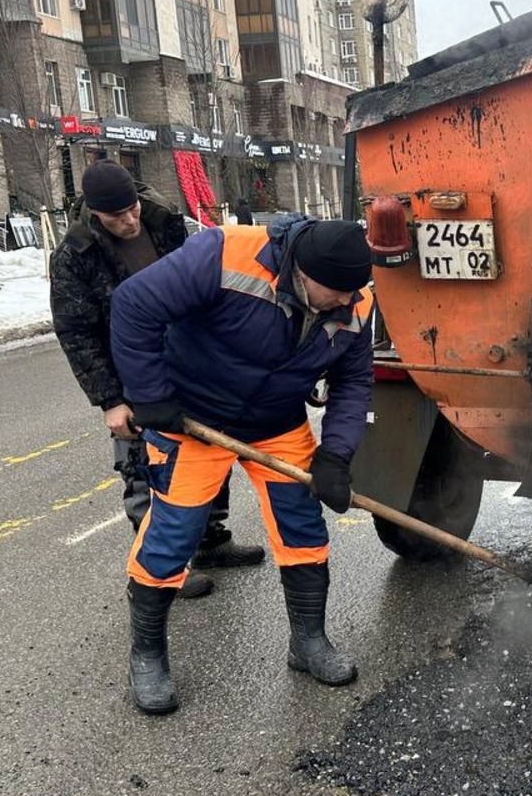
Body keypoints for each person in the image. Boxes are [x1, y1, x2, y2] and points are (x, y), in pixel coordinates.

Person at [109, 216, 374, 715]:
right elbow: (133, 304)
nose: (347, 301)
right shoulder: (224, 253)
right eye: (337, 291)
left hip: (276, 423)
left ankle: (308, 641)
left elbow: (354, 383)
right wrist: (150, 395)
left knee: (302, 528)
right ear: (303, 273)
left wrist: (336, 454)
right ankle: (147, 656)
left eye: (354, 291)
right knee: (174, 534)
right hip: (192, 421)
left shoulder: (355, 303)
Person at [49, 161, 264, 601]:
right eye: (117, 216)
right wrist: (110, 400)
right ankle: (160, 567)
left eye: (132, 209)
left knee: (207, 452)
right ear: (95, 213)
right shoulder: (76, 254)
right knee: (147, 468)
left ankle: (209, 541)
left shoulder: (164, 221)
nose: (130, 221)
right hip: (129, 373)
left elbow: (201, 285)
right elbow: (77, 332)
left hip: (189, 362)